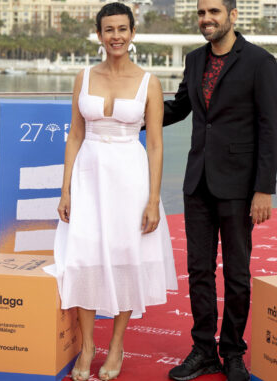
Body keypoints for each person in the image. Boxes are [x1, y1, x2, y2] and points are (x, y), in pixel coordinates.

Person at [43, 3, 177, 381]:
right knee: (83, 257)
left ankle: (116, 344)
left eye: (122, 28)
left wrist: (153, 199)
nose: (115, 35)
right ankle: (87, 345)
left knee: (124, 258)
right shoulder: (83, 77)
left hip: (130, 180)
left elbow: (155, 144)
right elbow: (75, 136)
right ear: (99, 35)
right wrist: (65, 188)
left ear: (132, 33)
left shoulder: (148, 81)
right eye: (108, 29)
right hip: (88, 177)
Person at [162, 0, 277, 379]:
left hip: (239, 184)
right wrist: (130, 117)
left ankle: (232, 351)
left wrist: (263, 189)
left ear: (232, 15)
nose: (206, 19)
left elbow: (272, 126)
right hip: (197, 180)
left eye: (214, 11)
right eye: (201, 13)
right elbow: (180, 107)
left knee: (236, 272)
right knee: (199, 270)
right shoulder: (194, 59)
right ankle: (203, 350)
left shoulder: (259, 61)